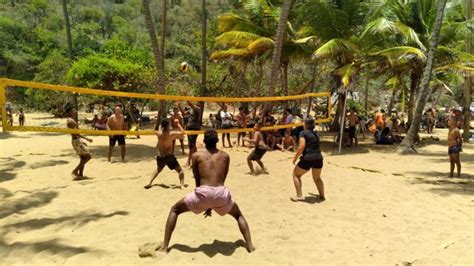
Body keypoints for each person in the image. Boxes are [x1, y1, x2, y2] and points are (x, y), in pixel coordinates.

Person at [155, 129, 255, 253]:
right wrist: (211, 203)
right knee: (238, 215)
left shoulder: (196, 156)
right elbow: (222, 178)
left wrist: (205, 202)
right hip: (220, 192)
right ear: (217, 141)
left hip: (203, 192)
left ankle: (165, 247)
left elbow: (197, 180)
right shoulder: (225, 156)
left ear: (204, 141)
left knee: (175, 209)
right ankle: (250, 246)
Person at [145, 119, 185, 189]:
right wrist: (178, 124)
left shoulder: (159, 133)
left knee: (158, 170)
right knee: (180, 171)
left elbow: (158, 129)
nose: (170, 126)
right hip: (169, 156)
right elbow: (183, 132)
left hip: (160, 156)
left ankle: (149, 183)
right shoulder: (171, 134)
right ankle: (182, 185)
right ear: (167, 126)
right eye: (169, 125)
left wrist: (160, 126)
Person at [290, 118, 325, 202]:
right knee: (317, 178)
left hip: (308, 158)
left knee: (296, 174)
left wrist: (295, 158)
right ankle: (322, 195)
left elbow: (301, 146)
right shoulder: (316, 133)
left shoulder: (303, 132)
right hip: (318, 157)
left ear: (305, 124)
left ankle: (299, 196)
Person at [65, 104, 93, 180]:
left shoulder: (72, 120)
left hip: (76, 140)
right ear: (70, 112)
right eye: (73, 110)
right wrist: (87, 138)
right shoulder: (70, 121)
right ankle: (75, 171)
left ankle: (80, 175)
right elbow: (76, 133)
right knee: (88, 157)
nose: (75, 111)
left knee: (83, 158)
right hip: (76, 140)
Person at [179, 101, 201, 167]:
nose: (197, 102)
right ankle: (196, 160)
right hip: (189, 128)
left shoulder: (198, 109)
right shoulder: (192, 109)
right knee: (192, 145)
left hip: (194, 129)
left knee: (192, 145)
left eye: (199, 102)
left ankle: (188, 161)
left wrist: (185, 96)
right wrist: (179, 107)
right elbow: (183, 113)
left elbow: (190, 104)